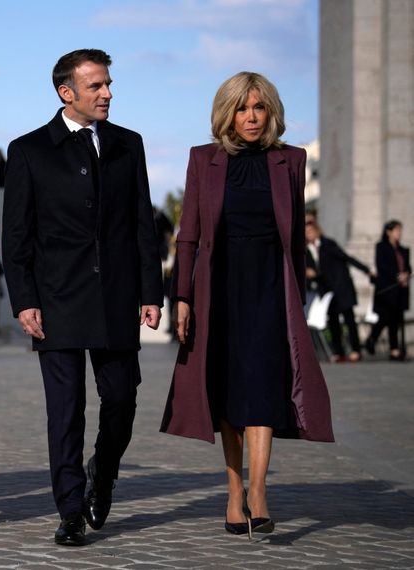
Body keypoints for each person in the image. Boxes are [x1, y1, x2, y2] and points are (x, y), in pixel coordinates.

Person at [160, 71, 334, 539]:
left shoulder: (290, 161)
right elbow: (189, 235)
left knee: (263, 385)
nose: (251, 117)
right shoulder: (204, 159)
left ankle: (258, 492)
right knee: (227, 390)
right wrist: (182, 297)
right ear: (226, 113)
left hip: (271, 291)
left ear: (271, 111)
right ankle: (234, 491)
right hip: (219, 290)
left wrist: (296, 297)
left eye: (258, 107)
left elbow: (295, 242)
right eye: (241, 108)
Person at [2, 49, 163, 546]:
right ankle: (70, 509)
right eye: (96, 86)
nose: (108, 93)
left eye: (108, 83)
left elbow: (143, 225)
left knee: (121, 398)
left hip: (116, 298)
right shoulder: (29, 150)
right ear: (66, 92)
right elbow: (16, 236)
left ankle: (105, 470)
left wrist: (150, 291)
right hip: (57, 301)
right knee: (65, 410)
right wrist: (24, 299)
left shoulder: (127, 145)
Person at [305, 218, 374, 362]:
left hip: (342, 287)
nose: (309, 234)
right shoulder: (306, 251)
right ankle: (339, 352)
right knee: (333, 322)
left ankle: (355, 350)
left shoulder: (328, 244)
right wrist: (311, 274)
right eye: (306, 232)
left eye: (311, 231)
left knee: (349, 320)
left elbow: (346, 258)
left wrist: (366, 270)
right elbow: (311, 273)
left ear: (317, 231)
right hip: (327, 292)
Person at [365, 220, 411, 361]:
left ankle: (394, 349)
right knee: (386, 318)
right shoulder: (381, 247)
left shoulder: (403, 250)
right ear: (388, 232)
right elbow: (382, 266)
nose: (399, 233)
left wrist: (406, 274)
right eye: (396, 230)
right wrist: (397, 276)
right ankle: (374, 339)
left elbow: (408, 267)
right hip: (386, 289)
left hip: (400, 290)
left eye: (400, 230)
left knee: (396, 319)